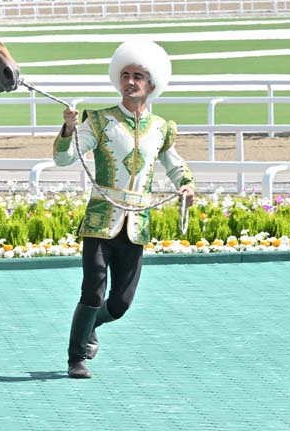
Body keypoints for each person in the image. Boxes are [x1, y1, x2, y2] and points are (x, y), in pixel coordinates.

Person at [53, 39, 195, 379]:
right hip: (100, 222)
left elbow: (176, 167)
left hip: (137, 225)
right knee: (93, 286)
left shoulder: (162, 129)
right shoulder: (99, 122)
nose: (130, 81)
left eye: (138, 76)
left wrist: (187, 185)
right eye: (126, 75)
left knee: (120, 304)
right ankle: (76, 358)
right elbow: (63, 158)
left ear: (151, 85)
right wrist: (69, 129)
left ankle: (91, 325)